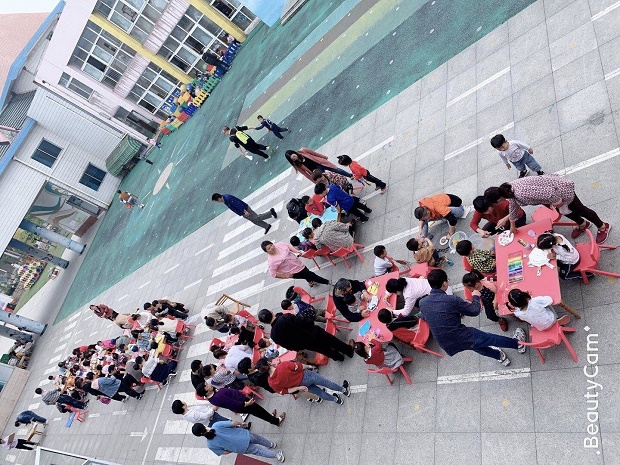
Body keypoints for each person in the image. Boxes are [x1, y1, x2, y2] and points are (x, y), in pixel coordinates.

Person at [419, 269, 526, 366]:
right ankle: (518, 344)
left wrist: (453, 314)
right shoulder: (452, 299)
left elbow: (426, 317)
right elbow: (474, 311)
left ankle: (500, 356)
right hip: (461, 335)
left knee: (475, 346)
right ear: (445, 283)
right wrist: (475, 296)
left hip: (446, 344)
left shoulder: (422, 302)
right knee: (490, 339)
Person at [484, 176, 611, 243]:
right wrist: (512, 224)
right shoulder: (506, 190)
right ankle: (583, 224)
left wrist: (559, 203)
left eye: (495, 203)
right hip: (553, 193)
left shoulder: (521, 193)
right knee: (566, 212)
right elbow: (513, 205)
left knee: (581, 210)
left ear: (499, 199)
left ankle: (603, 227)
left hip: (561, 191)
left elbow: (549, 192)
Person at [258, 309, 354, 361]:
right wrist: (311, 323)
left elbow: (288, 346)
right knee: (331, 340)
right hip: (313, 332)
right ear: (271, 312)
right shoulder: (285, 317)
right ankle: (348, 350)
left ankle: (338, 357)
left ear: (265, 323)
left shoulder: (274, 336)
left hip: (305, 344)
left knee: (323, 349)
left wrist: (300, 347)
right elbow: (304, 321)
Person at [198, 383, 286, 427]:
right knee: (259, 412)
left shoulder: (211, 397)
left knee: (259, 412)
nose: (209, 385)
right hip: (243, 404)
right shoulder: (218, 396)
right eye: (206, 386)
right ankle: (276, 421)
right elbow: (232, 403)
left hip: (241, 403)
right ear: (205, 392)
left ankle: (271, 418)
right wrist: (246, 403)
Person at [192, 420, 285, 462]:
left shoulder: (210, 445)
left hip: (241, 448)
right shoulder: (216, 425)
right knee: (259, 439)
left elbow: (224, 452)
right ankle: (271, 445)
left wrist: (233, 449)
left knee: (259, 451)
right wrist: (241, 423)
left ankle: (277, 456)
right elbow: (232, 423)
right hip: (244, 435)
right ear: (203, 426)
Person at [266, 359, 351, 404]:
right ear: (269, 363)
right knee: (326, 383)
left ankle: (336, 399)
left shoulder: (271, 383)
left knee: (319, 393)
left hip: (301, 386)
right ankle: (344, 390)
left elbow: (286, 391)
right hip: (306, 375)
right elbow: (300, 366)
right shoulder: (282, 366)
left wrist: (298, 388)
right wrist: (309, 366)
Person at [261, 240, 330, 286]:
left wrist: (297, 251)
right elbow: (273, 274)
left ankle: (310, 282)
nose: (272, 248)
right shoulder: (272, 261)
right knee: (312, 275)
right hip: (294, 272)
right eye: (269, 248)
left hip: (298, 263)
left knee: (307, 274)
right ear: (266, 251)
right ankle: (328, 282)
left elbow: (289, 247)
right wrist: (286, 276)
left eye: (271, 245)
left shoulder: (280, 244)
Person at [212, 193, 277, 235]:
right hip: (242, 212)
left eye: (216, 201)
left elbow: (237, 204)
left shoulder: (228, 198)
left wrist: (244, 211)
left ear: (218, 199)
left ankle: (271, 212)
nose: (217, 202)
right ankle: (266, 226)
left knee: (257, 218)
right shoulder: (224, 199)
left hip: (244, 210)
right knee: (254, 221)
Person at [285, 148, 351, 182]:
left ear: (294, 152)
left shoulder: (303, 150)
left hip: (321, 163)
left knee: (336, 169)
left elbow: (314, 153)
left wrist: (324, 157)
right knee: (328, 179)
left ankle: (350, 175)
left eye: (294, 156)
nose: (295, 158)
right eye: (293, 159)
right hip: (316, 172)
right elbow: (305, 174)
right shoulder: (297, 165)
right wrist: (314, 180)